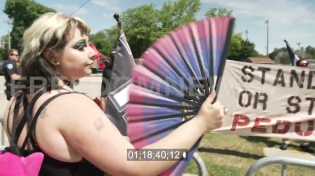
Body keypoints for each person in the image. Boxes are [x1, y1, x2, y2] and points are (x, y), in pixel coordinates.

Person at [3, 12, 226, 176]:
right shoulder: (70, 105)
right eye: (80, 46)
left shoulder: (17, 100)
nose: (92, 53)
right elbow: (137, 165)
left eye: (89, 44)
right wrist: (200, 123)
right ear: (52, 57)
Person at [280, 59, 313, 153]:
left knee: (305, 123)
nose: (304, 68)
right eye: (302, 66)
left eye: (305, 66)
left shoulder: (310, 77)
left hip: (304, 104)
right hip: (292, 103)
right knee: (288, 122)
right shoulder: (291, 76)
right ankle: (285, 142)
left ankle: (304, 143)